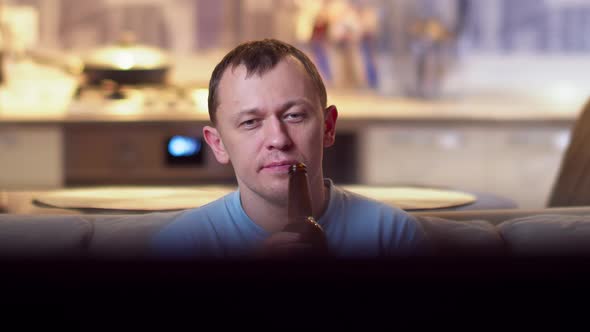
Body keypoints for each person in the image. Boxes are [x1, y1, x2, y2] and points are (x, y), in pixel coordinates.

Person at [151, 38, 428, 259]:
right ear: (218, 144)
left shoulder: (394, 236)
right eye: (250, 122)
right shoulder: (178, 245)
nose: (278, 139)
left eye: (294, 115)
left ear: (328, 127)